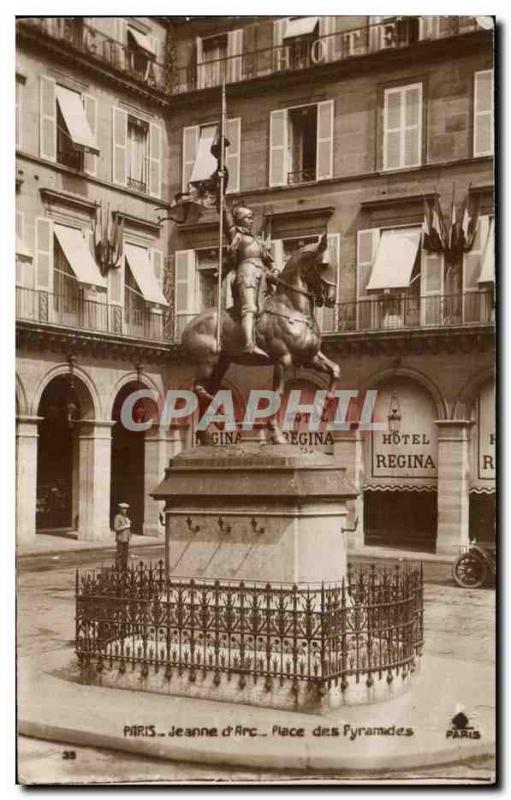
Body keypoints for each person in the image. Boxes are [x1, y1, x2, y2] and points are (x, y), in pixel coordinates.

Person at [222, 202, 281, 356]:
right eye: (248, 217)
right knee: (250, 308)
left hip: (263, 276)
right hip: (246, 273)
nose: (252, 220)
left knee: (270, 308)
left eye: (252, 217)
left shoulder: (258, 241)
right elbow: (226, 219)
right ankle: (249, 344)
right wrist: (222, 201)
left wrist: (274, 269)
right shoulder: (237, 236)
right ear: (240, 219)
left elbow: (270, 260)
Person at [113, 502, 131, 570]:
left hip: (126, 538)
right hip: (121, 538)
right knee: (120, 553)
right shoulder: (117, 517)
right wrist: (126, 526)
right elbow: (116, 528)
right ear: (120, 509)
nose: (125, 510)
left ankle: (124, 567)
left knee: (125, 554)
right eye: (123, 509)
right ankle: (118, 567)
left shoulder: (125, 517)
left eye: (126, 509)